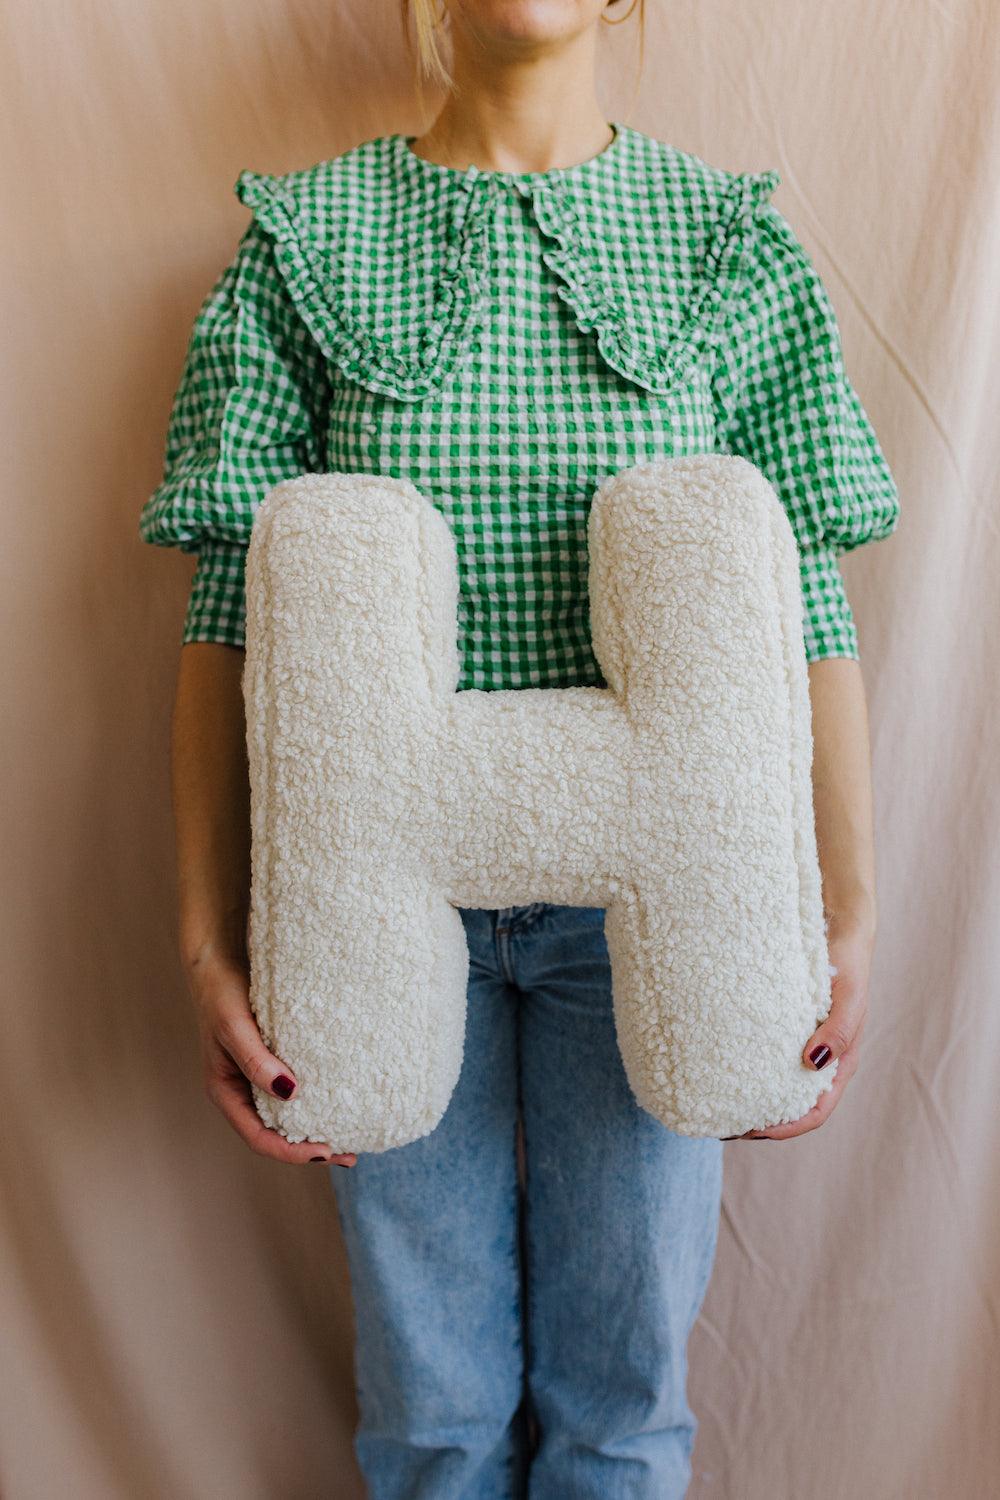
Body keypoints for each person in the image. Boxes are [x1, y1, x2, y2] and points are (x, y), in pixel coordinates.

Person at [138, 1, 900, 1494]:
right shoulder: (312, 241)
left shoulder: (724, 243)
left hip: (660, 922)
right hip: (368, 927)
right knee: (432, 1416)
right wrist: (205, 944)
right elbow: (230, 617)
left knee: (624, 1407)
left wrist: (847, 910)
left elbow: (804, 603)